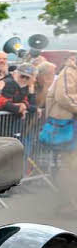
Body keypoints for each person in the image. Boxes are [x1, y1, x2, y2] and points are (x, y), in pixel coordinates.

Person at [45, 55, 77, 213]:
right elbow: (64, 96)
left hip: (71, 124)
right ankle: (69, 204)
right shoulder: (69, 71)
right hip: (69, 125)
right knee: (70, 166)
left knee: (71, 166)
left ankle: (70, 203)